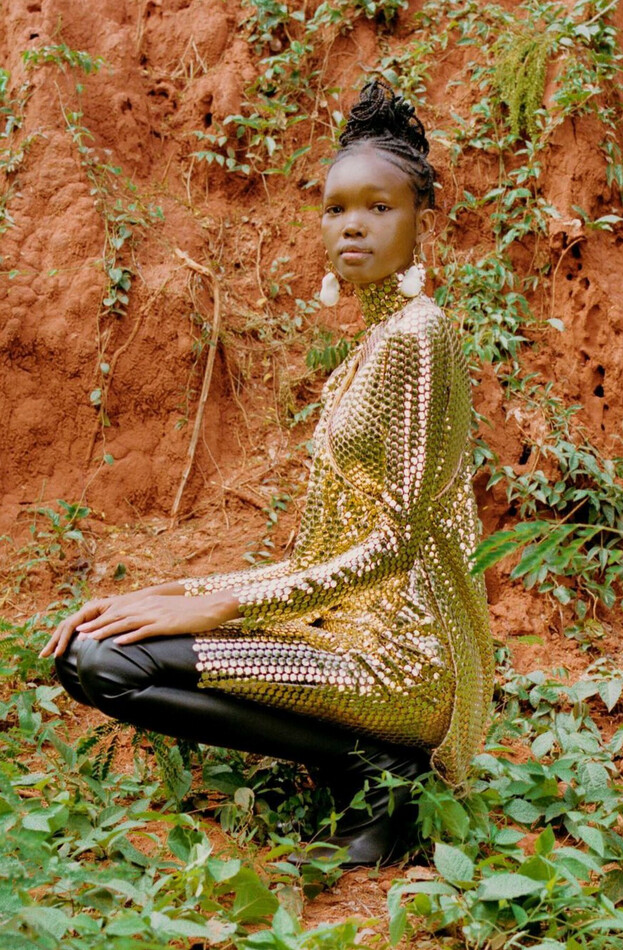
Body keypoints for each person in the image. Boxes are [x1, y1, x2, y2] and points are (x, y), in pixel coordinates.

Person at [42, 80, 493, 866]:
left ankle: (376, 771)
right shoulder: (370, 345)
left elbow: (393, 547)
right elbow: (322, 555)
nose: (352, 225)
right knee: (88, 649)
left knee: (109, 664)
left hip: (403, 659)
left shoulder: (420, 336)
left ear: (421, 219)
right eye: (335, 208)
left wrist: (221, 606)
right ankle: (359, 763)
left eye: (378, 207)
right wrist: (175, 593)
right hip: (341, 627)